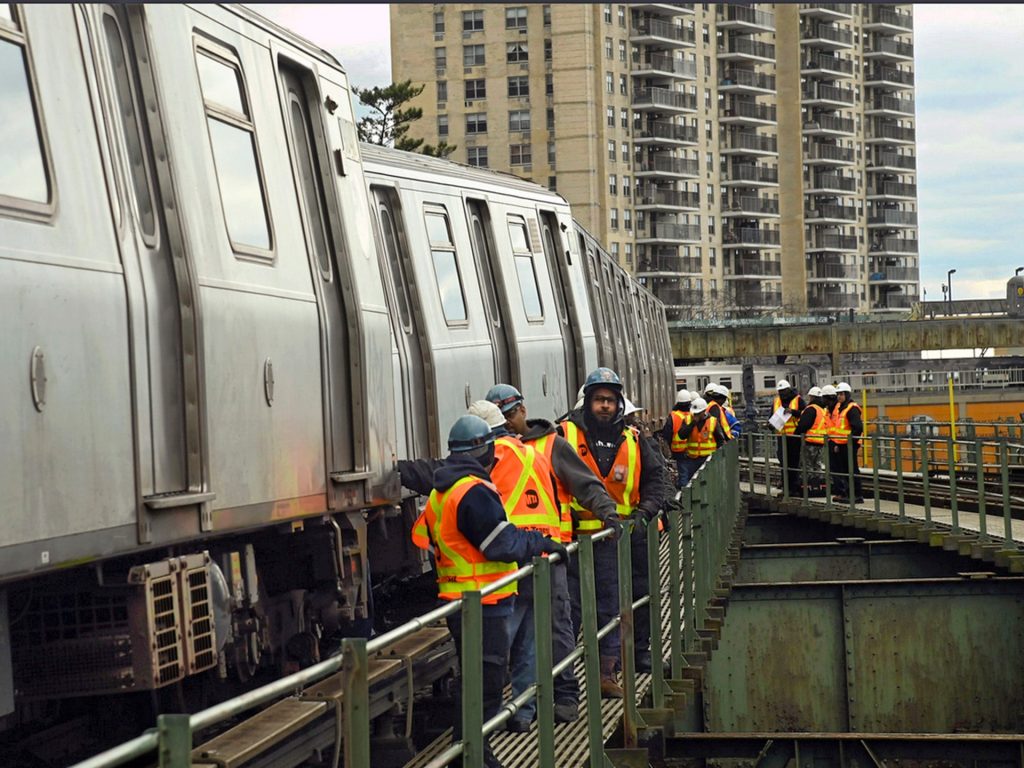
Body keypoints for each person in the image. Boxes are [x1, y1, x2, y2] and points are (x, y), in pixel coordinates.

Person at [409, 415, 567, 768]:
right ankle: (474, 754)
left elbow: (423, 536)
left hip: (457, 597)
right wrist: (541, 542)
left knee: (475, 679)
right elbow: (501, 543)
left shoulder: (441, 489)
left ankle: (469, 750)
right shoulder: (473, 491)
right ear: (485, 451)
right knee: (488, 681)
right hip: (485, 599)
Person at [484, 385, 621, 727]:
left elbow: (584, 483)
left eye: (509, 415)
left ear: (522, 411)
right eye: (500, 417)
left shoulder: (550, 445)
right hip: (507, 558)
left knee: (557, 627)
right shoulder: (493, 450)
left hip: (549, 554)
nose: (507, 422)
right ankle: (520, 707)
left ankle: (564, 696)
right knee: (513, 634)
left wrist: (607, 512)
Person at [561, 368, 666, 694]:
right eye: (599, 400)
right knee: (568, 612)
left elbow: (657, 480)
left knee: (612, 609)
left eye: (610, 400)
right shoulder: (564, 435)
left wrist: (644, 513)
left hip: (615, 541)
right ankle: (562, 683)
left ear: (618, 403)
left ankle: (607, 674)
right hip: (573, 542)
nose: (605, 406)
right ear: (587, 402)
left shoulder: (634, 441)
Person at [829, 382, 864, 502]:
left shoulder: (851, 408)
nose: (839, 396)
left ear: (847, 394)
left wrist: (851, 441)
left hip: (849, 444)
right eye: (838, 394)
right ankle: (848, 494)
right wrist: (838, 444)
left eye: (842, 394)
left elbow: (858, 427)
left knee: (851, 470)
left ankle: (856, 495)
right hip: (842, 444)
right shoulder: (842, 408)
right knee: (845, 470)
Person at [676, 397, 726, 482]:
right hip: (692, 460)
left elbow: (720, 441)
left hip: (708, 460)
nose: (695, 415)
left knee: (708, 482)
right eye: (694, 413)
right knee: (692, 483)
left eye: (698, 413)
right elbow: (681, 435)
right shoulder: (688, 420)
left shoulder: (713, 421)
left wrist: (717, 458)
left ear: (704, 411)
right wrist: (693, 423)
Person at [769, 380, 805, 495]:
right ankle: (786, 488)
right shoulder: (776, 401)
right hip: (781, 436)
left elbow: (805, 413)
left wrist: (793, 412)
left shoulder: (798, 400)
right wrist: (770, 425)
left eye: (783, 391)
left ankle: (794, 488)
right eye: (780, 391)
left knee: (793, 463)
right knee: (783, 462)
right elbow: (772, 417)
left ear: (789, 390)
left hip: (794, 436)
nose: (782, 394)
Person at [793, 386, 828, 495]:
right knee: (817, 466)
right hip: (821, 442)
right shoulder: (823, 410)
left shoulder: (811, 409)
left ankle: (808, 489)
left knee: (807, 466)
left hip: (810, 442)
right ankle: (819, 488)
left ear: (812, 397)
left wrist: (796, 434)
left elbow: (804, 425)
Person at [661, 390, 693, 488]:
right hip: (693, 450)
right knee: (693, 474)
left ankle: (684, 496)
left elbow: (667, 434)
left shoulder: (673, 416)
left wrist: (670, 447)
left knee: (683, 475)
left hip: (679, 451)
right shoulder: (694, 415)